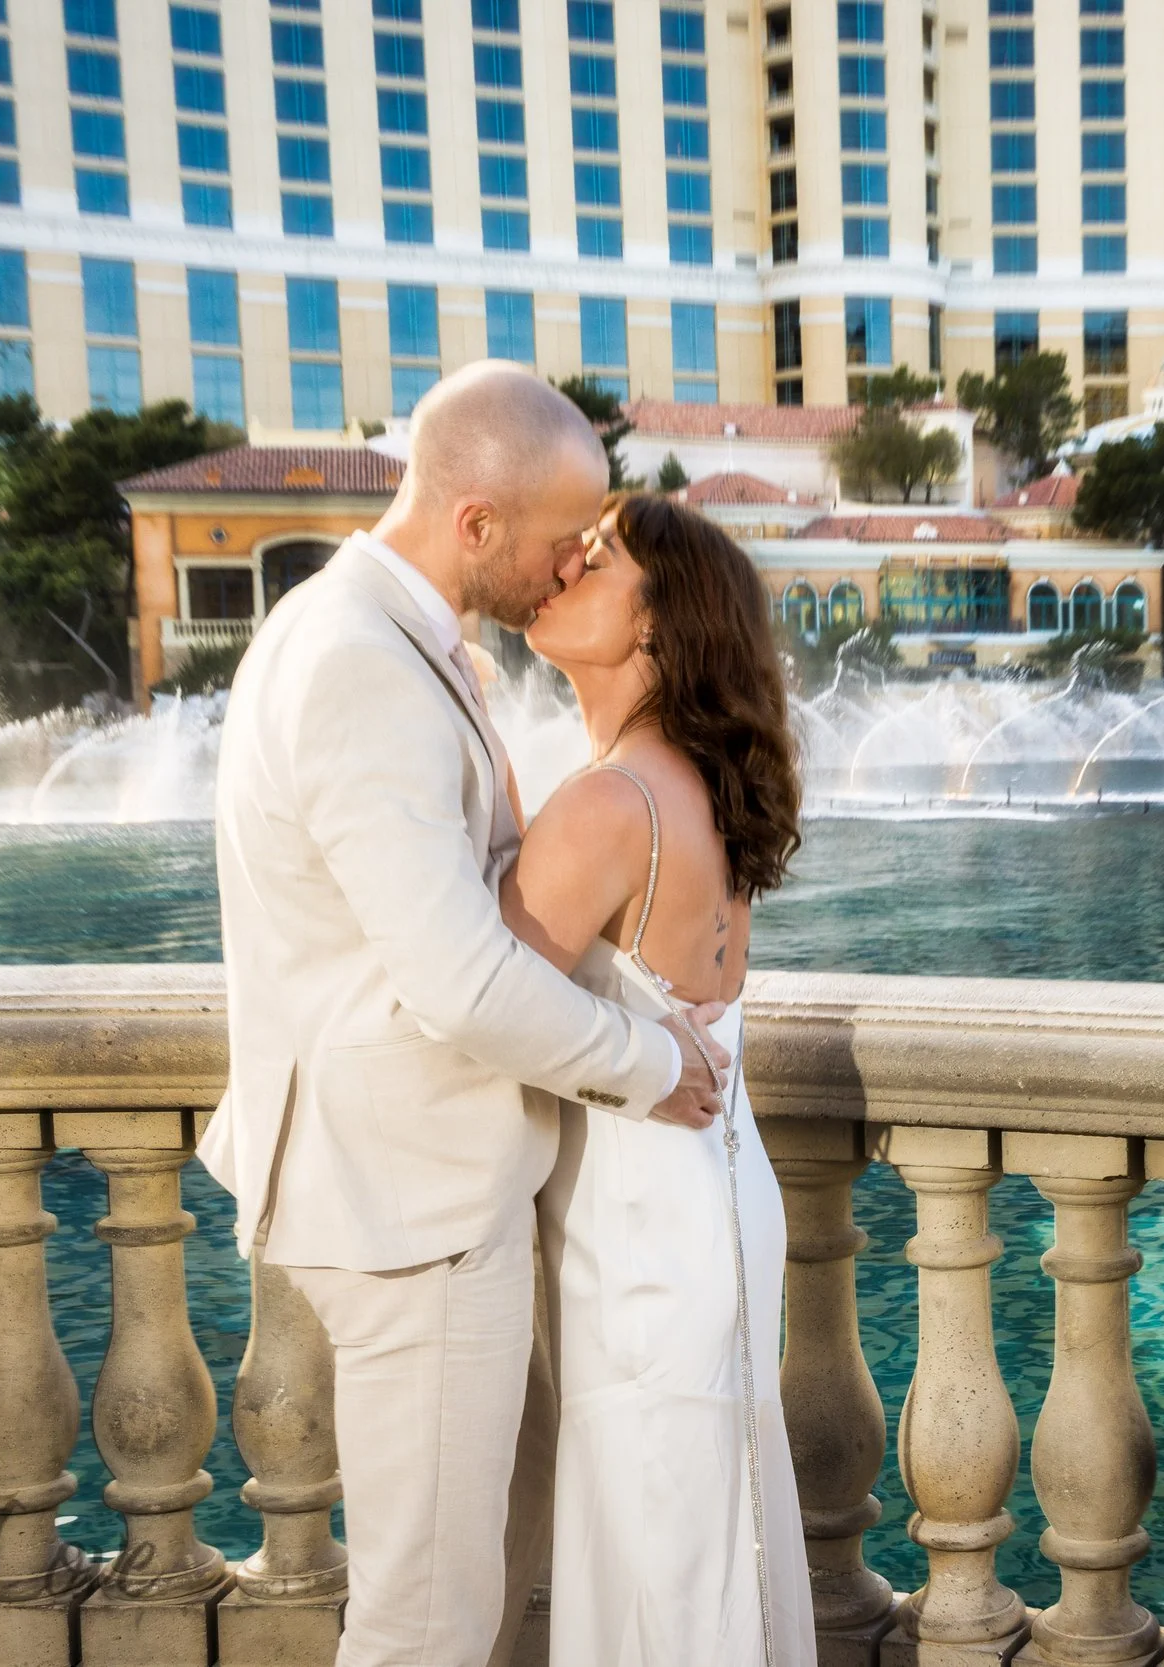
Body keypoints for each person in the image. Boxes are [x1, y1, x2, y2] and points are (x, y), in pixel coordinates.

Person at [196, 362, 730, 1667]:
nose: (567, 571)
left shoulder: (391, 641)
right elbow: (458, 976)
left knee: (459, 1593)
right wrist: (649, 1060)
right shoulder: (356, 663)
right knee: (426, 1618)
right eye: (560, 542)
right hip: (410, 1203)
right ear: (477, 522)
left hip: (420, 1185)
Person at [503, 493, 817, 1665]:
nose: (566, 564)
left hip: (638, 1231)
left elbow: (472, 1010)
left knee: (651, 1554)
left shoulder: (608, 804)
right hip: (715, 1202)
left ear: (656, 623)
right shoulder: (698, 791)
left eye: (601, 557)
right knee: (705, 1535)